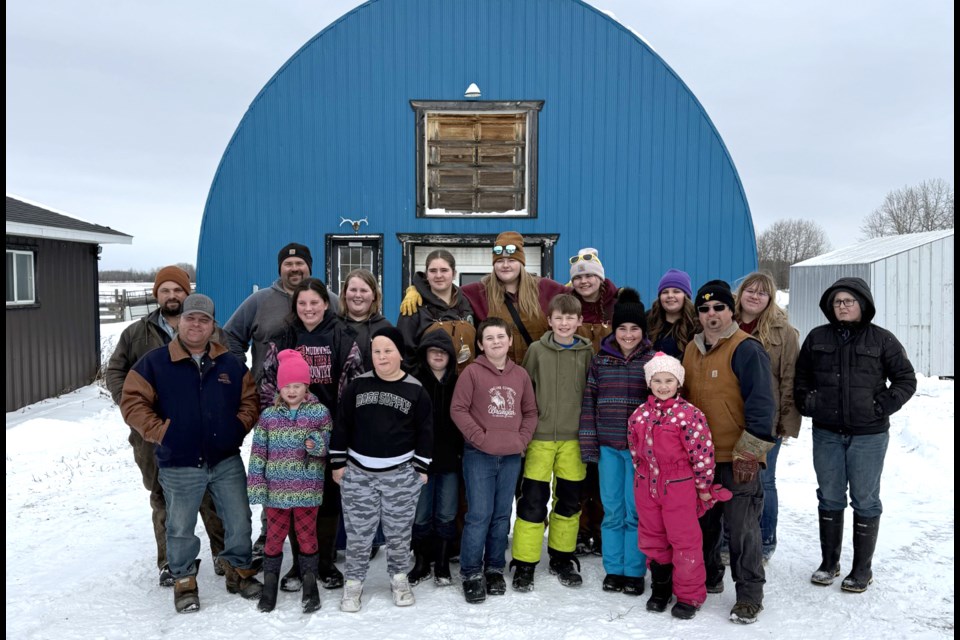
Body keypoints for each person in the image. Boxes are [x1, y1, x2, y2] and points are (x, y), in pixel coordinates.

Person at [120, 294, 262, 613]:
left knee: (239, 519)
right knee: (180, 526)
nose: (196, 324)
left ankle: (238, 571)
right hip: (179, 462)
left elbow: (250, 401)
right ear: (179, 321)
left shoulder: (231, 364)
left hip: (225, 460)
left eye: (204, 320)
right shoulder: (155, 363)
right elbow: (132, 401)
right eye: (190, 318)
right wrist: (162, 432)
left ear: (213, 326)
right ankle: (184, 580)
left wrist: (235, 429)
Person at [105, 266, 226, 586]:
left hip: (202, 430)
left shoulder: (212, 330)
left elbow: (231, 369)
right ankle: (171, 562)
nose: (172, 296)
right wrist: (131, 405)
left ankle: (223, 554)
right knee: (162, 495)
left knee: (210, 491)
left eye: (178, 290)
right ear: (156, 294)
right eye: (165, 290)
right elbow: (116, 371)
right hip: (152, 434)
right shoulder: (136, 333)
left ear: (188, 294)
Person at [794, 277, 916, 593]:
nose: (843, 306)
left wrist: (881, 406)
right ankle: (829, 563)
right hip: (827, 433)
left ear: (863, 304)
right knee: (830, 495)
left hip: (869, 436)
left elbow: (905, 379)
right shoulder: (817, 337)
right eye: (838, 302)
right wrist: (809, 402)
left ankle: (862, 569)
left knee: (865, 498)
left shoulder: (882, 340)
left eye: (849, 301)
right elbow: (801, 378)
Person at [224, 242, 338, 560]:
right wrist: (244, 375)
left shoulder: (327, 300)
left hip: (319, 405)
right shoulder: (259, 302)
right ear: (280, 269)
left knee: (313, 466)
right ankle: (269, 532)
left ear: (310, 267)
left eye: (300, 263)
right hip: (273, 403)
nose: (294, 269)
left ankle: (316, 538)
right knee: (275, 467)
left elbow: (348, 329)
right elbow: (231, 335)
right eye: (288, 265)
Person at [259, 277, 363, 593]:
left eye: (314, 303)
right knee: (294, 499)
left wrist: (344, 431)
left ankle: (326, 562)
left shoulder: (344, 335)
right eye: (302, 303)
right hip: (290, 436)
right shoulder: (283, 337)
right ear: (295, 306)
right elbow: (266, 383)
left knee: (328, 500)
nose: (308, 309)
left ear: (325, 304)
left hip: (329, 430)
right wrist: (275, 424)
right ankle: (300, 564)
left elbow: (353, 383)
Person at [681, 280, 776, 624]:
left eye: (718, 308)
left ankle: (749, 594)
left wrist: (749, 454)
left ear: (731, 310)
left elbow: (763, 406)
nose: (711, 315)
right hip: (700, 458)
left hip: (737, 458)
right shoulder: (691, 350)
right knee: (703, 526)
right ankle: (710, 578)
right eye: (704, 309)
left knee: (743, 529)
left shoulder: (746, 348)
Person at [330, 327, 433, 612]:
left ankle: (399, 577)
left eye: (388, 351)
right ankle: (354, 582)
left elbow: (425, 431)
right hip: (359, 473)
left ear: (400, 353)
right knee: (359, 533)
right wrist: (338, 463)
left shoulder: (415, 389)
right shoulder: (357, 386)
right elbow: (342, 425)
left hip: (401, 474)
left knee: (399, 532)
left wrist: (421, 467)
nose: (382, 357)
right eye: (376, 351)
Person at [628, 352, 730, 620]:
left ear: (678, 383)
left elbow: (702, 453)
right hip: (647, 486)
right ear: (649, 383)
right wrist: (641, 472)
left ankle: (689, 595)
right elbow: (634, 450)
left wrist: (703, 485)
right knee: (653, 537)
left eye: (669, 380)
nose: (663, 386)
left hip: (679, 486)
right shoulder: (639, 415)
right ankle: (661, 588)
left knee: (684, 540)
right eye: (657, 380)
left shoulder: (689, 415)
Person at [510, 294, 593, 592]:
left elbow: (591, 393)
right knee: (532, 501)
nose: (564, 323)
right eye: (559, 317)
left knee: (569, 502)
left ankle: (562, 556)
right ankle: (524, 561)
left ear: (579, 321)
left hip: (573, 441)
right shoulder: (536, 350)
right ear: (549, 320)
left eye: (570, 318)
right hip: (539, 440)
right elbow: (524, 392)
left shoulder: (587, 353)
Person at [451, 318, 538, 604]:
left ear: (510, 341)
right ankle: (471, 571)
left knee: (502, 515)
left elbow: (530, 412)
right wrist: (481, 437)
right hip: (479, 456)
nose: (496, 342)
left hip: (511, 455)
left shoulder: (520, 375)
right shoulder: (472, 373)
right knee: (479, 514)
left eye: (501, 337)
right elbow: (459, 409)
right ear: (480, 344)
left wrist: (521, 440)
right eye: (489, 338)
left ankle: (494, 568)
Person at [578, 288, 654, 596]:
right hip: (609, 447)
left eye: (634, 328)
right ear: (614, 328)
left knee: (635, 511)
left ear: (643, 331)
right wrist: (589, 444)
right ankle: (614, 569)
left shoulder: (653, 362)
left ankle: (634, 571)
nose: (628, 333)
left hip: (639, 452)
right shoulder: (600, 361)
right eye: (622, 327)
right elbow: (588, 403)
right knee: (612, 510)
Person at [247, 349, 332, 614]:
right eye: (287, 386)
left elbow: (330, 441)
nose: (292, 391)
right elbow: (258, 453)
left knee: (307, 537)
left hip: (308, 490)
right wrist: (257, 485)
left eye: (297, 385)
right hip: (276, 493)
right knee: (274, 538)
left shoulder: (319, 413)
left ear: (306, 385)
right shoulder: (269, 417)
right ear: (280, 387)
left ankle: (310, 585)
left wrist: (317, 443)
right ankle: (269, 585)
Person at [734, 272, 801, 563]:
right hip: (729, 418)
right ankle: (729, 541)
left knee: (763, 481)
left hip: (764, 421)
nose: (755, 296)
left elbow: (790, 380)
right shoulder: (725, 322)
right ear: (741, 294)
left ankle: (765, 542)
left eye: (763, 293)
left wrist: (784, 424)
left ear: (770, 299)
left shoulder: (783, 332)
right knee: (731, 481)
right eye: (750, 290)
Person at [423, 231, 566, 364]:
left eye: (511, 260)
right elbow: (445, 291)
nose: (505, 265)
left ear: (521, 263)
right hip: (497, 376)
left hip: (538, 374)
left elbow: (579, 295)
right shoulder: (479, 291)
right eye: (499, 261)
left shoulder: (545, 288)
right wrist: (417, 290)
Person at [567, 248, 619, 558]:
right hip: (575, 398)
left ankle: (602, 530)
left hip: (611, 398)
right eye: (579, 276)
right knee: (578, 471)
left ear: (600, 277)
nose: (584, 280)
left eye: (590, 275)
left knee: (606, 473)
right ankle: (579, 530)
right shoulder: (565, 305)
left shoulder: (619, 304)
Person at [407, 330, 463, 587]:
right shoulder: (413, 382)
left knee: (447, 512)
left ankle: (442, 561)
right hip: (420, 460)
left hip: (451, 459)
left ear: (451, 356)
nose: (438, 355)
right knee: (420, 513)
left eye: (443, 351)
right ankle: (421, 561)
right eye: (433, 351)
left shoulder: (459, 382)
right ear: (425, 353)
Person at [396, 249, 476, 373]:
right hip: (428, 387)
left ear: (454, 273)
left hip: (465, 384)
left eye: (444, 270)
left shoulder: (466, 303)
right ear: (426, 275)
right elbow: (405, 355)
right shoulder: (413, 306)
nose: (438, 275)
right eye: (433, 271)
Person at [338, 268, 392, 371]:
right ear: (345, 293)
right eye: (353, 290)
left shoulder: (385, 328)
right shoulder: (332, 325)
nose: (358, 295)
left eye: (364, 290)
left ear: (374, 296)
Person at [647, 268, 697, 359]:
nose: (670, 295)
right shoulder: (648, 322)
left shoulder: (697, 325)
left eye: (676, 291)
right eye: (665, 292)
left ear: (686, 296)